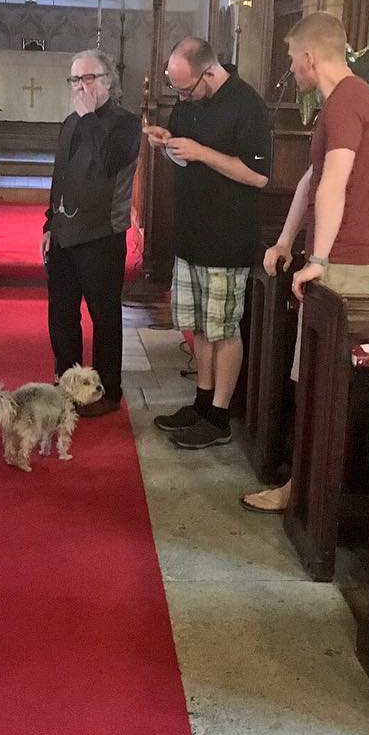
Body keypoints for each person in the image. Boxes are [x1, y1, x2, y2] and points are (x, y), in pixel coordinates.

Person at [241, 11, 369, 513]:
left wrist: (319, 258)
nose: (290, 68)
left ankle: (308, 494)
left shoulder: (346, 102)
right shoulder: (347, 99)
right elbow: (312, 178)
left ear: (309, 56)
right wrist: (286, 241)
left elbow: (334, 185)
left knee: (322, 388)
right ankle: (306, 487)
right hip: (345, 259)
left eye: (291, 58)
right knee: (314, 383)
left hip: (345, 264)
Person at [145, 37, 270, 449]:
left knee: (224, 329)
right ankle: (202, 402)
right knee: (199, 325)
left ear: (209, 72)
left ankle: (219, 416)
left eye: (185, 89)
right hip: (191, 233)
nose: (181, 98)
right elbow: (184, 154)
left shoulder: (247, 105)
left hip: (227, 237)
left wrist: (201, 152)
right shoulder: (189, 102)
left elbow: (258, 175)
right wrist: (166, 143)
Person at [43, 49, 140, 417]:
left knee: (104, 315)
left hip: (102, 235)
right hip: (65, 234)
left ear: (108, 81)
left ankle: (107, 391)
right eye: (75, 79)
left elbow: (109, 161)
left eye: (88, 78)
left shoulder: (126, 124)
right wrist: (49, 223)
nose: (80, 87)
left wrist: (88, 118)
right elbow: (61, 177)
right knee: (62, 314)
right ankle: (68, 383)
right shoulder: (70, 123)